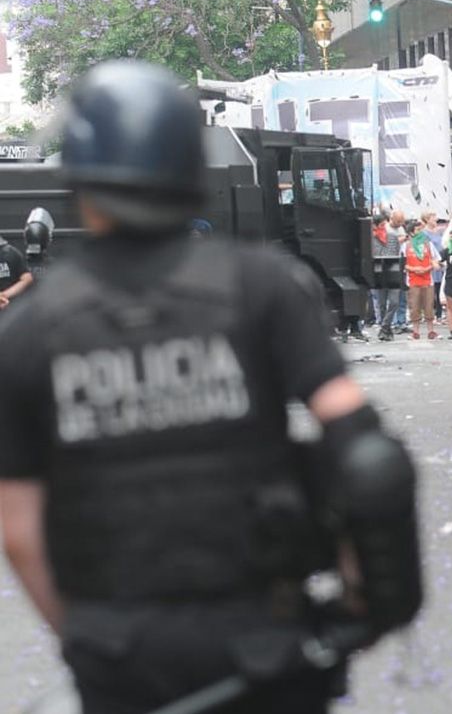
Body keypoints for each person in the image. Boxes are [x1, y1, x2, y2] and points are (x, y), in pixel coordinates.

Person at [0, 60, 422, 714]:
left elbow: (19, 528)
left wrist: (87, 641)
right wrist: (371, 602)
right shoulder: (262, 287)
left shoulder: (29, 330)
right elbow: (369, 459)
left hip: (116, 650)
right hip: (261, 639)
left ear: (78, 180)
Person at [370, 212, 404, 341]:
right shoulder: (370, 239)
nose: (384, 227)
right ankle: (386, 330)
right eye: (382, 224)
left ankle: (384, 326)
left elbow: (396, 254)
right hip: (378, 272)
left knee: (394, 302)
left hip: (393, 271)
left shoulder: (393, 237)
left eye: (385, 224)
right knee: (382, 303)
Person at [405, 219, 440, 340]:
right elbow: (402, 264)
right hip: (413, 281)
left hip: (427, 280)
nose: (421, 232)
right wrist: (414, 268)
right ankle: (415, 331)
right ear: (411, 232)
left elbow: (436, 260)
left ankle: (431, 331)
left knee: (429, 305)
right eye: (418, 230)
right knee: (414, 307)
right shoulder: (406, 246)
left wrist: (429, 267)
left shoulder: (428, 245)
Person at [0, 222, 33, 311]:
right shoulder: (13, 252)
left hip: (11, 310)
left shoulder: (12, 253)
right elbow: (27, 278)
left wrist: (4, 295)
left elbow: (27, 278)